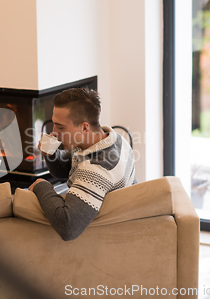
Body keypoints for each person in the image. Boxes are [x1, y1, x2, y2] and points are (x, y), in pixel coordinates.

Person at [29, 88, 136, 241]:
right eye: (54, 124)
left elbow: (68, 227)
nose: (54, 132)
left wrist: (42, 186)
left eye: (60, 126)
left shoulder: (95, 169)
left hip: (101, 237)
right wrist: (52, 154)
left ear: (84, 127)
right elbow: (68, 171)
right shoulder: (115, 139)